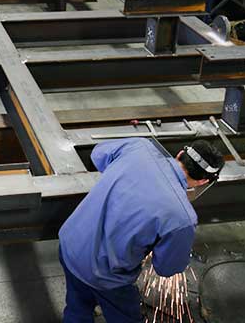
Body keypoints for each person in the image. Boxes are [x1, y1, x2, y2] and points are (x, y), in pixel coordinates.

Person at [59, 138, 224, 323]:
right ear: (202, 181)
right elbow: (167, 268)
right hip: (104, 275)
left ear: (179, 154)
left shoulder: (139, 146)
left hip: (70, 245)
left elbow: (98, 154)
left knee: (77, 306)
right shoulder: (182, 217)